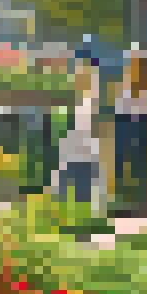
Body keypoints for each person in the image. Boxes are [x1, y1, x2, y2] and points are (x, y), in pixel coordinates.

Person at [54, 58, 103, 206]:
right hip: (75, 145)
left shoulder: (93, 98)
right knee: (67, 183)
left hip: (86, 147)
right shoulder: (75, 97)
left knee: (83, 185)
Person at [115, 45, 147, 210]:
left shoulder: (139, 84)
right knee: (126, 162)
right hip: (126, 118)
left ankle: (134, 202)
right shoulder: (129, 84)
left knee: (135, 163)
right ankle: (127, 202)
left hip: (135, 118)